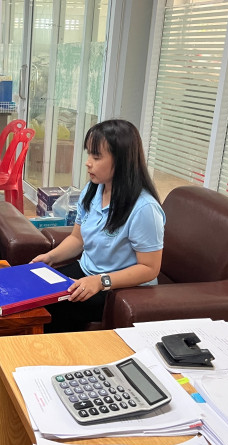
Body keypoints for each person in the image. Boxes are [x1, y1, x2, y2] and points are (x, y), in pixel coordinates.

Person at [31, 119, 165, 333]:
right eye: (88, 154)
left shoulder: (144, 208)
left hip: (120, 288)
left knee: (47, 308)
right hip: (87, 272)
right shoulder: (94, 189)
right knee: (32, 290)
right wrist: (50, 257)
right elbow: (77, 239)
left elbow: (149, 269)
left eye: (96, 156)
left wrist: (101, 281)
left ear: (121, 160)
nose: (88, 163)